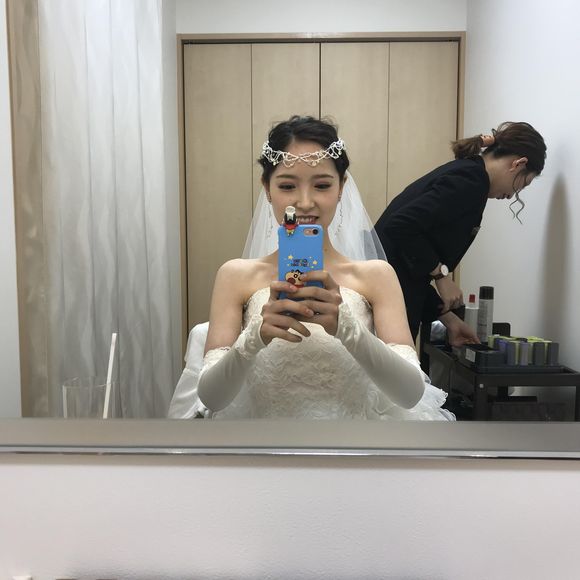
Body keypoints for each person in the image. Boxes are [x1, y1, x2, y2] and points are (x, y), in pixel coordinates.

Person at [169, 116, 453, 420]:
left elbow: (410, 395)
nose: (304, 202)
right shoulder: (235, 276)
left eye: (322, 185)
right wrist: (253, 337)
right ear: (267, 188)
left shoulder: (376, 276)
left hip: (352, 443)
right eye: (287, 185)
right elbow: (212, 399)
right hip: (261, 441)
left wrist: (348, 329)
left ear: (341, 187)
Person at [374, 122, 547, 346]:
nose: (513, 195)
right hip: (384, 301)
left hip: (386, 291)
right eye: (524, 183)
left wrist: (450, 320)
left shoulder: (468, 171)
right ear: (518, 163)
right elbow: (400, 226)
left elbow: (408, 262)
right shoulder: (472, 181)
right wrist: (441, 275)